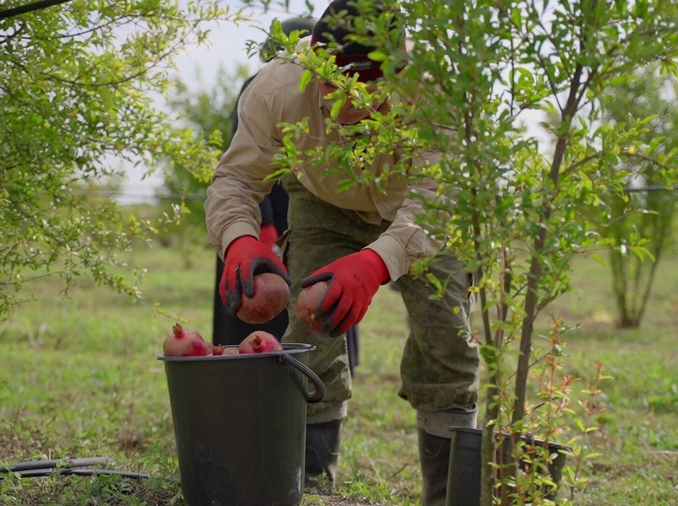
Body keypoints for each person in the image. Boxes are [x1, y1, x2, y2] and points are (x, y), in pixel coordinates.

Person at [204, 2, 480, 505]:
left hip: (420, 210)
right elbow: (236, 180)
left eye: (363, 91)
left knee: (447, 338)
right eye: (332, 87)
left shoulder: (435, 92)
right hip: (324, 201)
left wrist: (375, 263)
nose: (344, 104)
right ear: (313, 58)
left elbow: (436, 202)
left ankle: (448, 497)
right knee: (310, 336)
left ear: (397, 69)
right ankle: (310, 487)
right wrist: (240, 238)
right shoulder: (276, 89)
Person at [211, 15, 362, 377]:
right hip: (268, 214)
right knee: (257, 291)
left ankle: (302, 371)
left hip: (309, 206)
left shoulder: (341, 91)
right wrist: (259, 230)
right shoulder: (262, 89)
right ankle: (260, 368)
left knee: (318, 292)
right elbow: (242, 169)